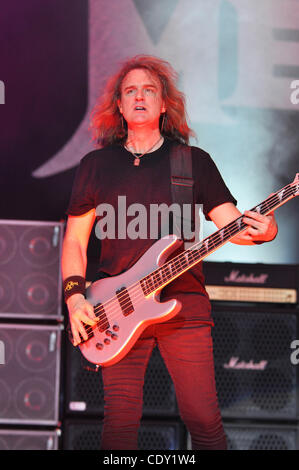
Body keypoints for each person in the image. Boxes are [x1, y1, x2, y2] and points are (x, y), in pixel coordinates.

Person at [61, 55, 278, 450]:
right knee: (119, 427)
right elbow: (75, 240)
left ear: (164, 105)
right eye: (131, 91)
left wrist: (265, 232)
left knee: (203, 421)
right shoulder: (96, 166)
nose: (139, 97)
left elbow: (232, 227)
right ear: (120, 107)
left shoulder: (192, 162)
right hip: (117, 307)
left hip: (184, 305)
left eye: (149, 90)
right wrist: (75, 297)